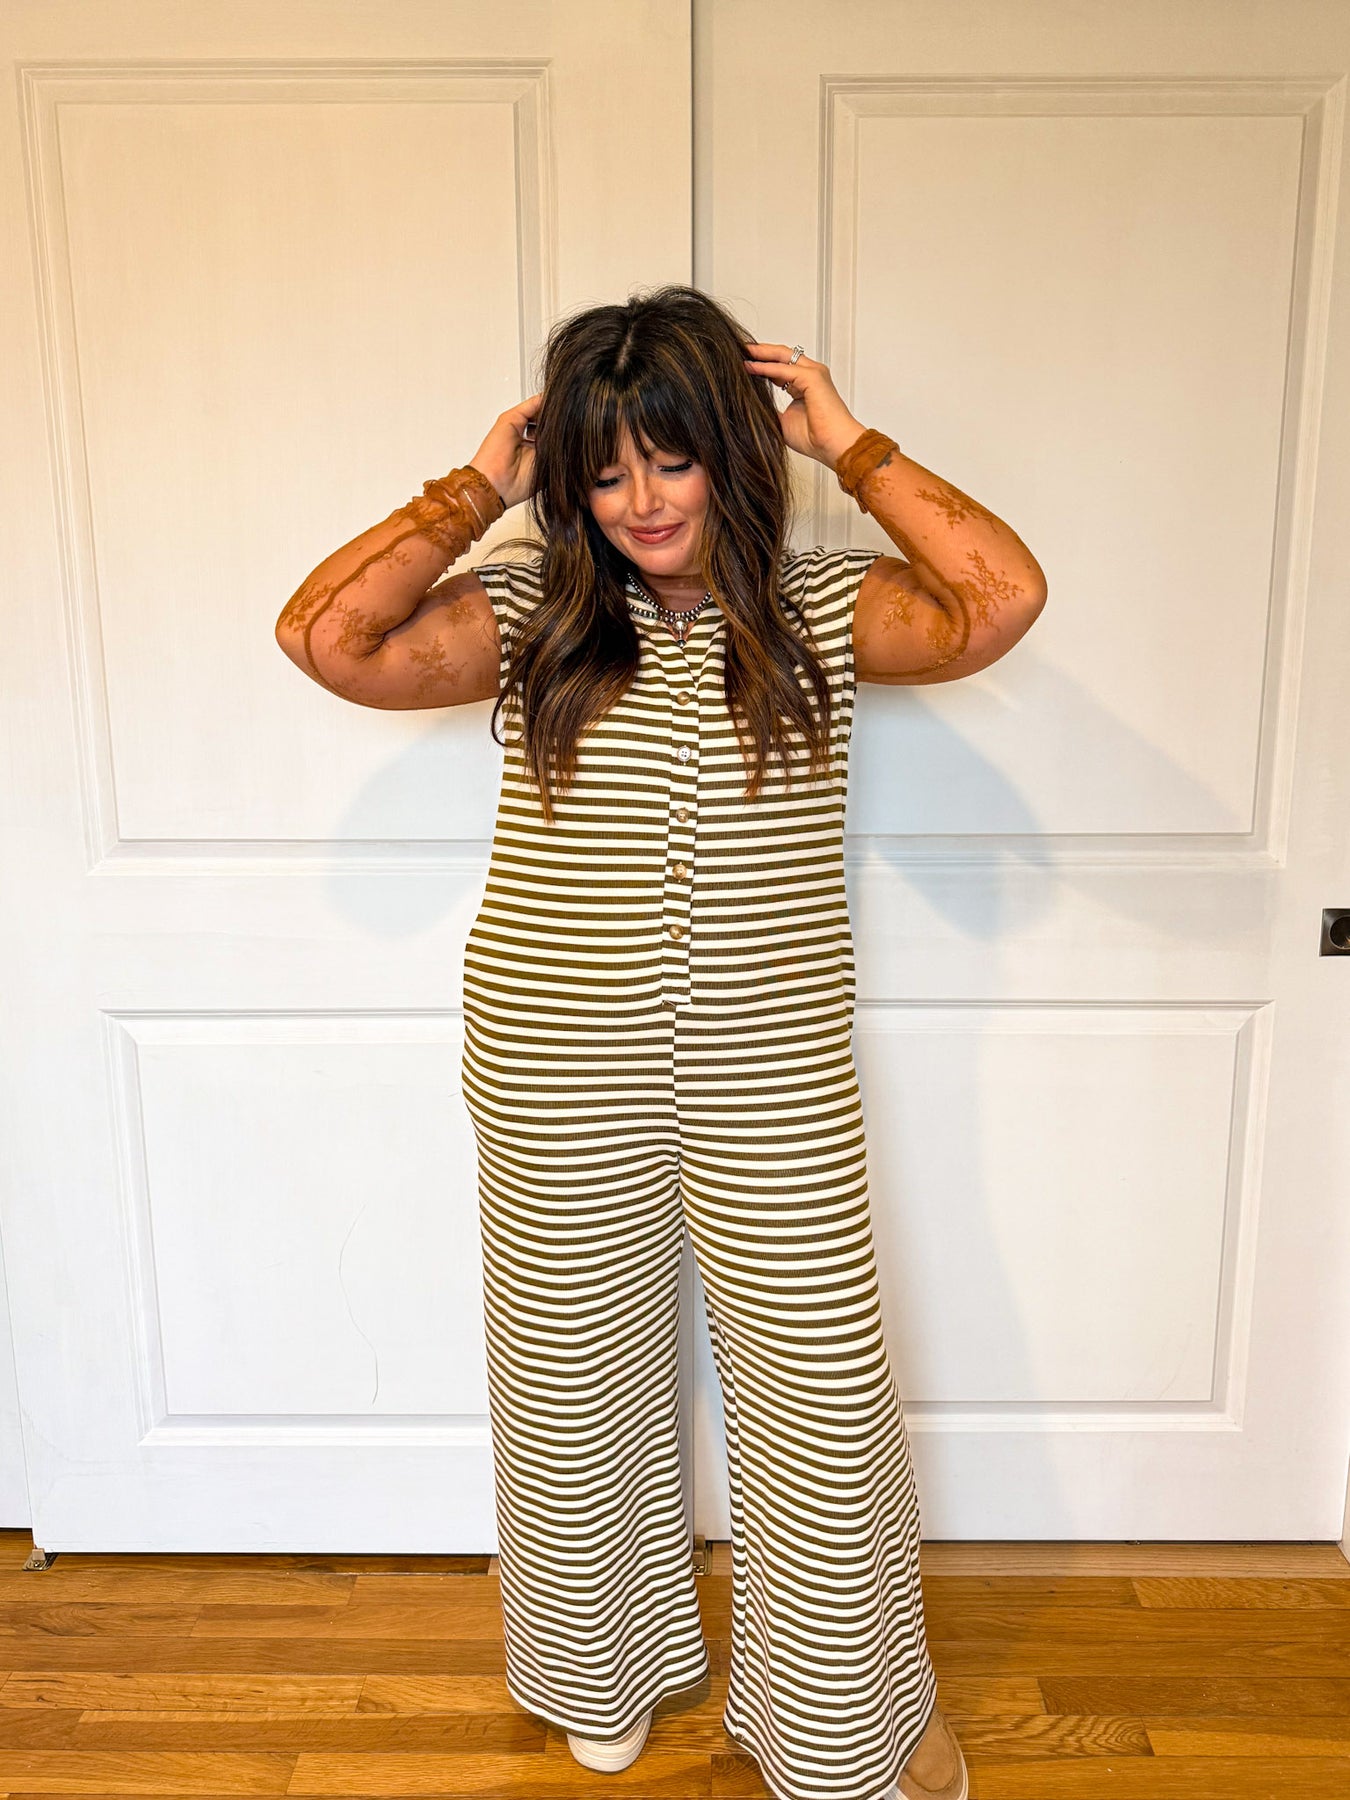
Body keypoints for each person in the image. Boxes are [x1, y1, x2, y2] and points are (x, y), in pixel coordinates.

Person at [275, 284, 1046, 1800]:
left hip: (772, 1070)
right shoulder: (533, 616)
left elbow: (997, 600)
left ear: (731, 457)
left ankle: (846, 1729)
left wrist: (848, 441)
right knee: (568, 1380)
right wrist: (475, 490)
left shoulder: (820, 610)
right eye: (604, 469)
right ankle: (598, 1670)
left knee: (820, 1394)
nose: (640, 502)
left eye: (671, 460)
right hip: (553, 1058)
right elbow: (328, 637)